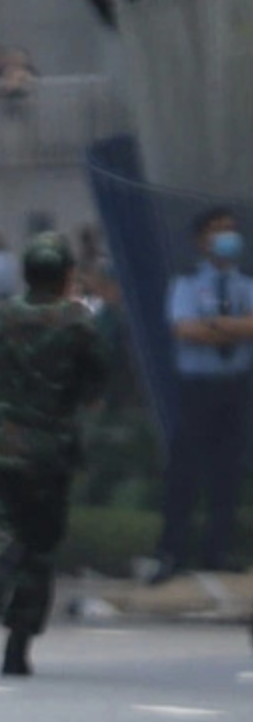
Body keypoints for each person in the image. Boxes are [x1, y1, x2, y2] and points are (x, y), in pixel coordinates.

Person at [0, 234, 110, 676]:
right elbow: (96, 391)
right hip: (49, 451)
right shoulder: (80, 325)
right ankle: (18, 644)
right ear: (65, 277)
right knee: (39, 549)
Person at [155, 208, 252, 581]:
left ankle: (218, 549)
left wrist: (214, 323)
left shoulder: (246, 284)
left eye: (231, 229)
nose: (227, 237)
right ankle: (171, 550)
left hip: (235, 386)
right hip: (198, 387)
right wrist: (234, 328)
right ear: (201, 240)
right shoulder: (187, 283)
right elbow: (185, 330)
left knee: (227, 471)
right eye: (218, 230)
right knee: (185, 470)